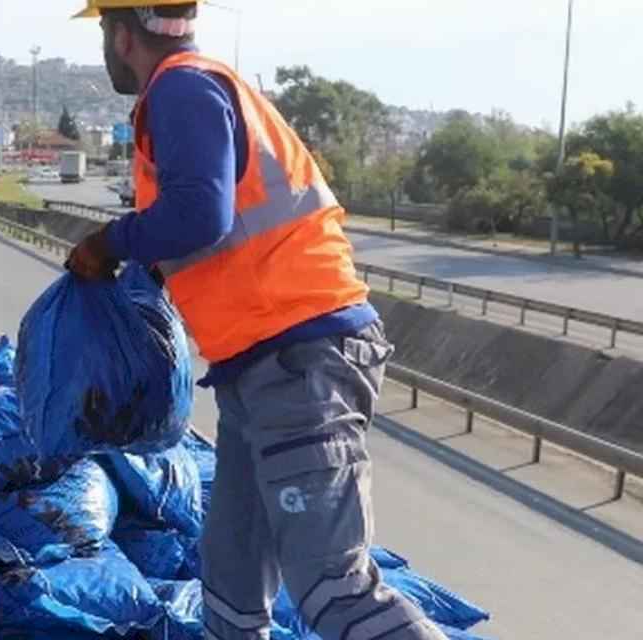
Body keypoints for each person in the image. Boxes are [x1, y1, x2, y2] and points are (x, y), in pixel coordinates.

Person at [67, 2, 446, 639]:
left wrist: (108, 243)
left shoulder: (182, 90)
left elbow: (199, 213)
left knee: (333, 589)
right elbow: (211, 230)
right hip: (260, 363)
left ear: (120, 32)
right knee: (234, 582)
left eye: (104, 32)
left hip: (301, 357)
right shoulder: (199, 90)